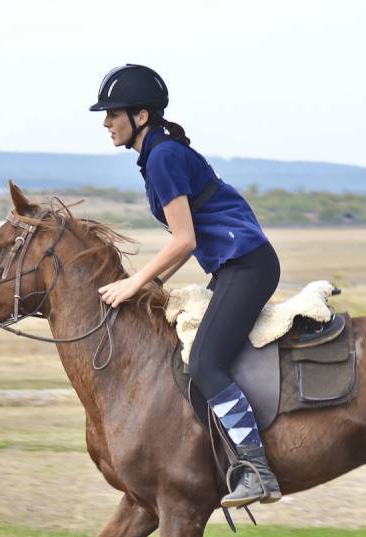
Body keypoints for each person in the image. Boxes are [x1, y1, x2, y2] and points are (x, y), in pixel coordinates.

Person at [91, 64, 281, 508]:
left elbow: (185, 239)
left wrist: (135, 282)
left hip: (247, 266)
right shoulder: (157, 154)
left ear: (140, 116)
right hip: (235, 265)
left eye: (112, 113)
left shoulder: (163, 157)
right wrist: (151, 283)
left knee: (205, 362)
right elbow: (187, 239)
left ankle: (256, 470)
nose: (105, 122)